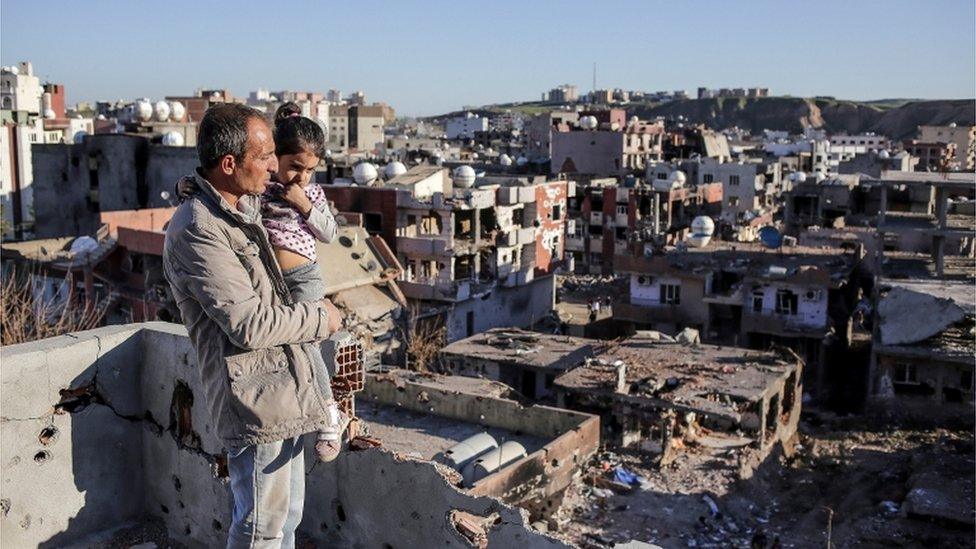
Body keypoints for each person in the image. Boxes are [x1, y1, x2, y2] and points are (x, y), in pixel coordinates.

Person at [162, 102, 341, 548]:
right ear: (229, 164)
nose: (272, 168)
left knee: (289, 518)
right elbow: (249, 325)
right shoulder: (197, 229)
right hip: (255, 398)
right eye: (263, 158)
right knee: (260, 524)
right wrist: (323, 315)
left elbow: (317, 229)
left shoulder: (242, 206)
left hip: (288, 386)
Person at [260, 102, 346, 462]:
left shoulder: (310, 194)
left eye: (309, 170)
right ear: (274, 157)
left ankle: (329, 414)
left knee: (308, 342)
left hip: (305, 276)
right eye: (295, 166)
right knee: (280, 345)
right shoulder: (260, 188)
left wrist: (303, 203)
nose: (301, 176)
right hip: (269, 282)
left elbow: (329, 232)